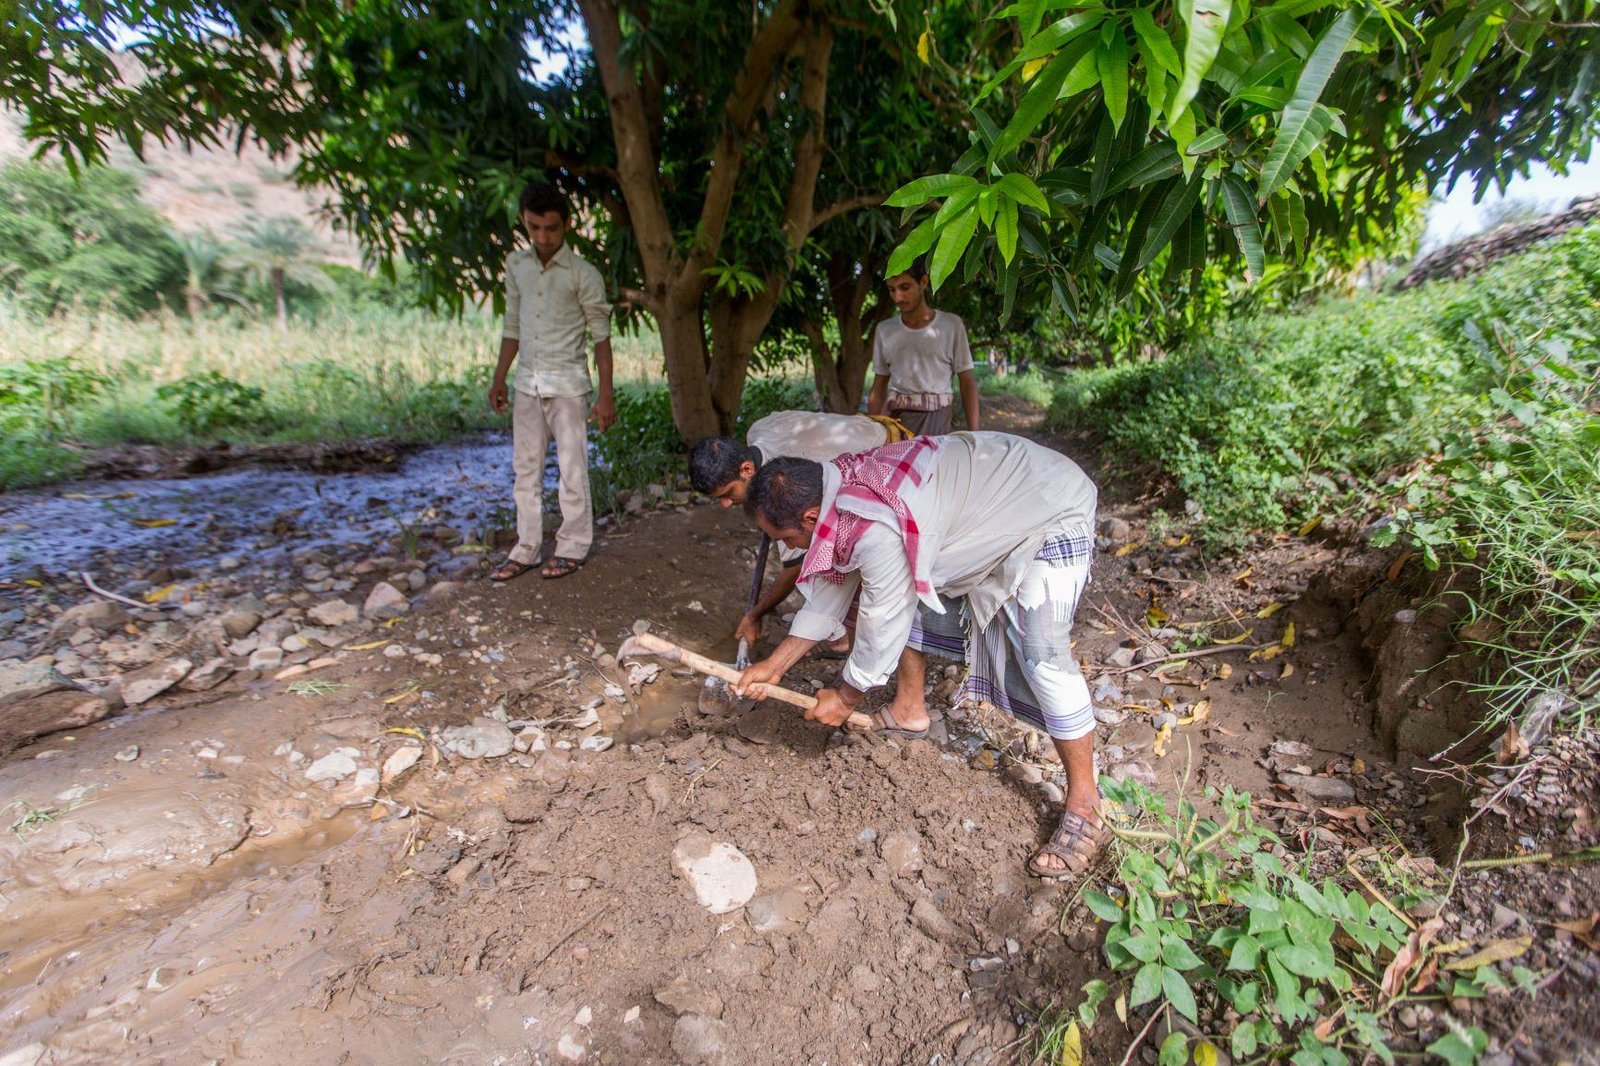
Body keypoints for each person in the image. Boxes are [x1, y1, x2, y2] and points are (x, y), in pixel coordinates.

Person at [734, 432, 1103, 884]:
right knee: (895, 589)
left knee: (1042, 652)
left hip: (1050, 505)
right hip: (993, 505)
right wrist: (774, 666)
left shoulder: (874, 525)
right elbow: (838, 583)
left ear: (812, 517)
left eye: (787, 538)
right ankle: (909, 710)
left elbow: (883, 614)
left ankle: (1085, 804)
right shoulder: (839, 492)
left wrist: (847, 699)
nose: (790, 549)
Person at [688, 410, 912, 647]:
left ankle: (852, 636)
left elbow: (795, 568)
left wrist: (755, 614)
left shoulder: (784, 489)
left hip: (889, 459)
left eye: (728, 493)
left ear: (746, 469)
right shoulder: (759, 429)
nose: (725, 504)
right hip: (865, 431)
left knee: (842, 550)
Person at [488, 183, 615, 582]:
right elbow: (512, 325)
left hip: (569, 386)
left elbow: (601, 338)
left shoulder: (583, 274)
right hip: (527, 383)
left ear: (567, 226)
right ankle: (525, 549)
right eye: (534, 227)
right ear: (525, 222)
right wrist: (500, 377)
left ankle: (572, 545)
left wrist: (606, 394)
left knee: (571, 469)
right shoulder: (517, 266)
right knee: (524, 471)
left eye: (551, 229)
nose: (543, 237)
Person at [867, 257, 979, 436]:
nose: (898, 297)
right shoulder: (885, 330)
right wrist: (871, 431)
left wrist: (975, 435)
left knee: (928, 463)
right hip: (895, 420)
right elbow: (878, 386)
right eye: (891, 290)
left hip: (936, 418)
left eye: (905, 287)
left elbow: (966, 381)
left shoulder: (951, 325)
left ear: (923, 282)